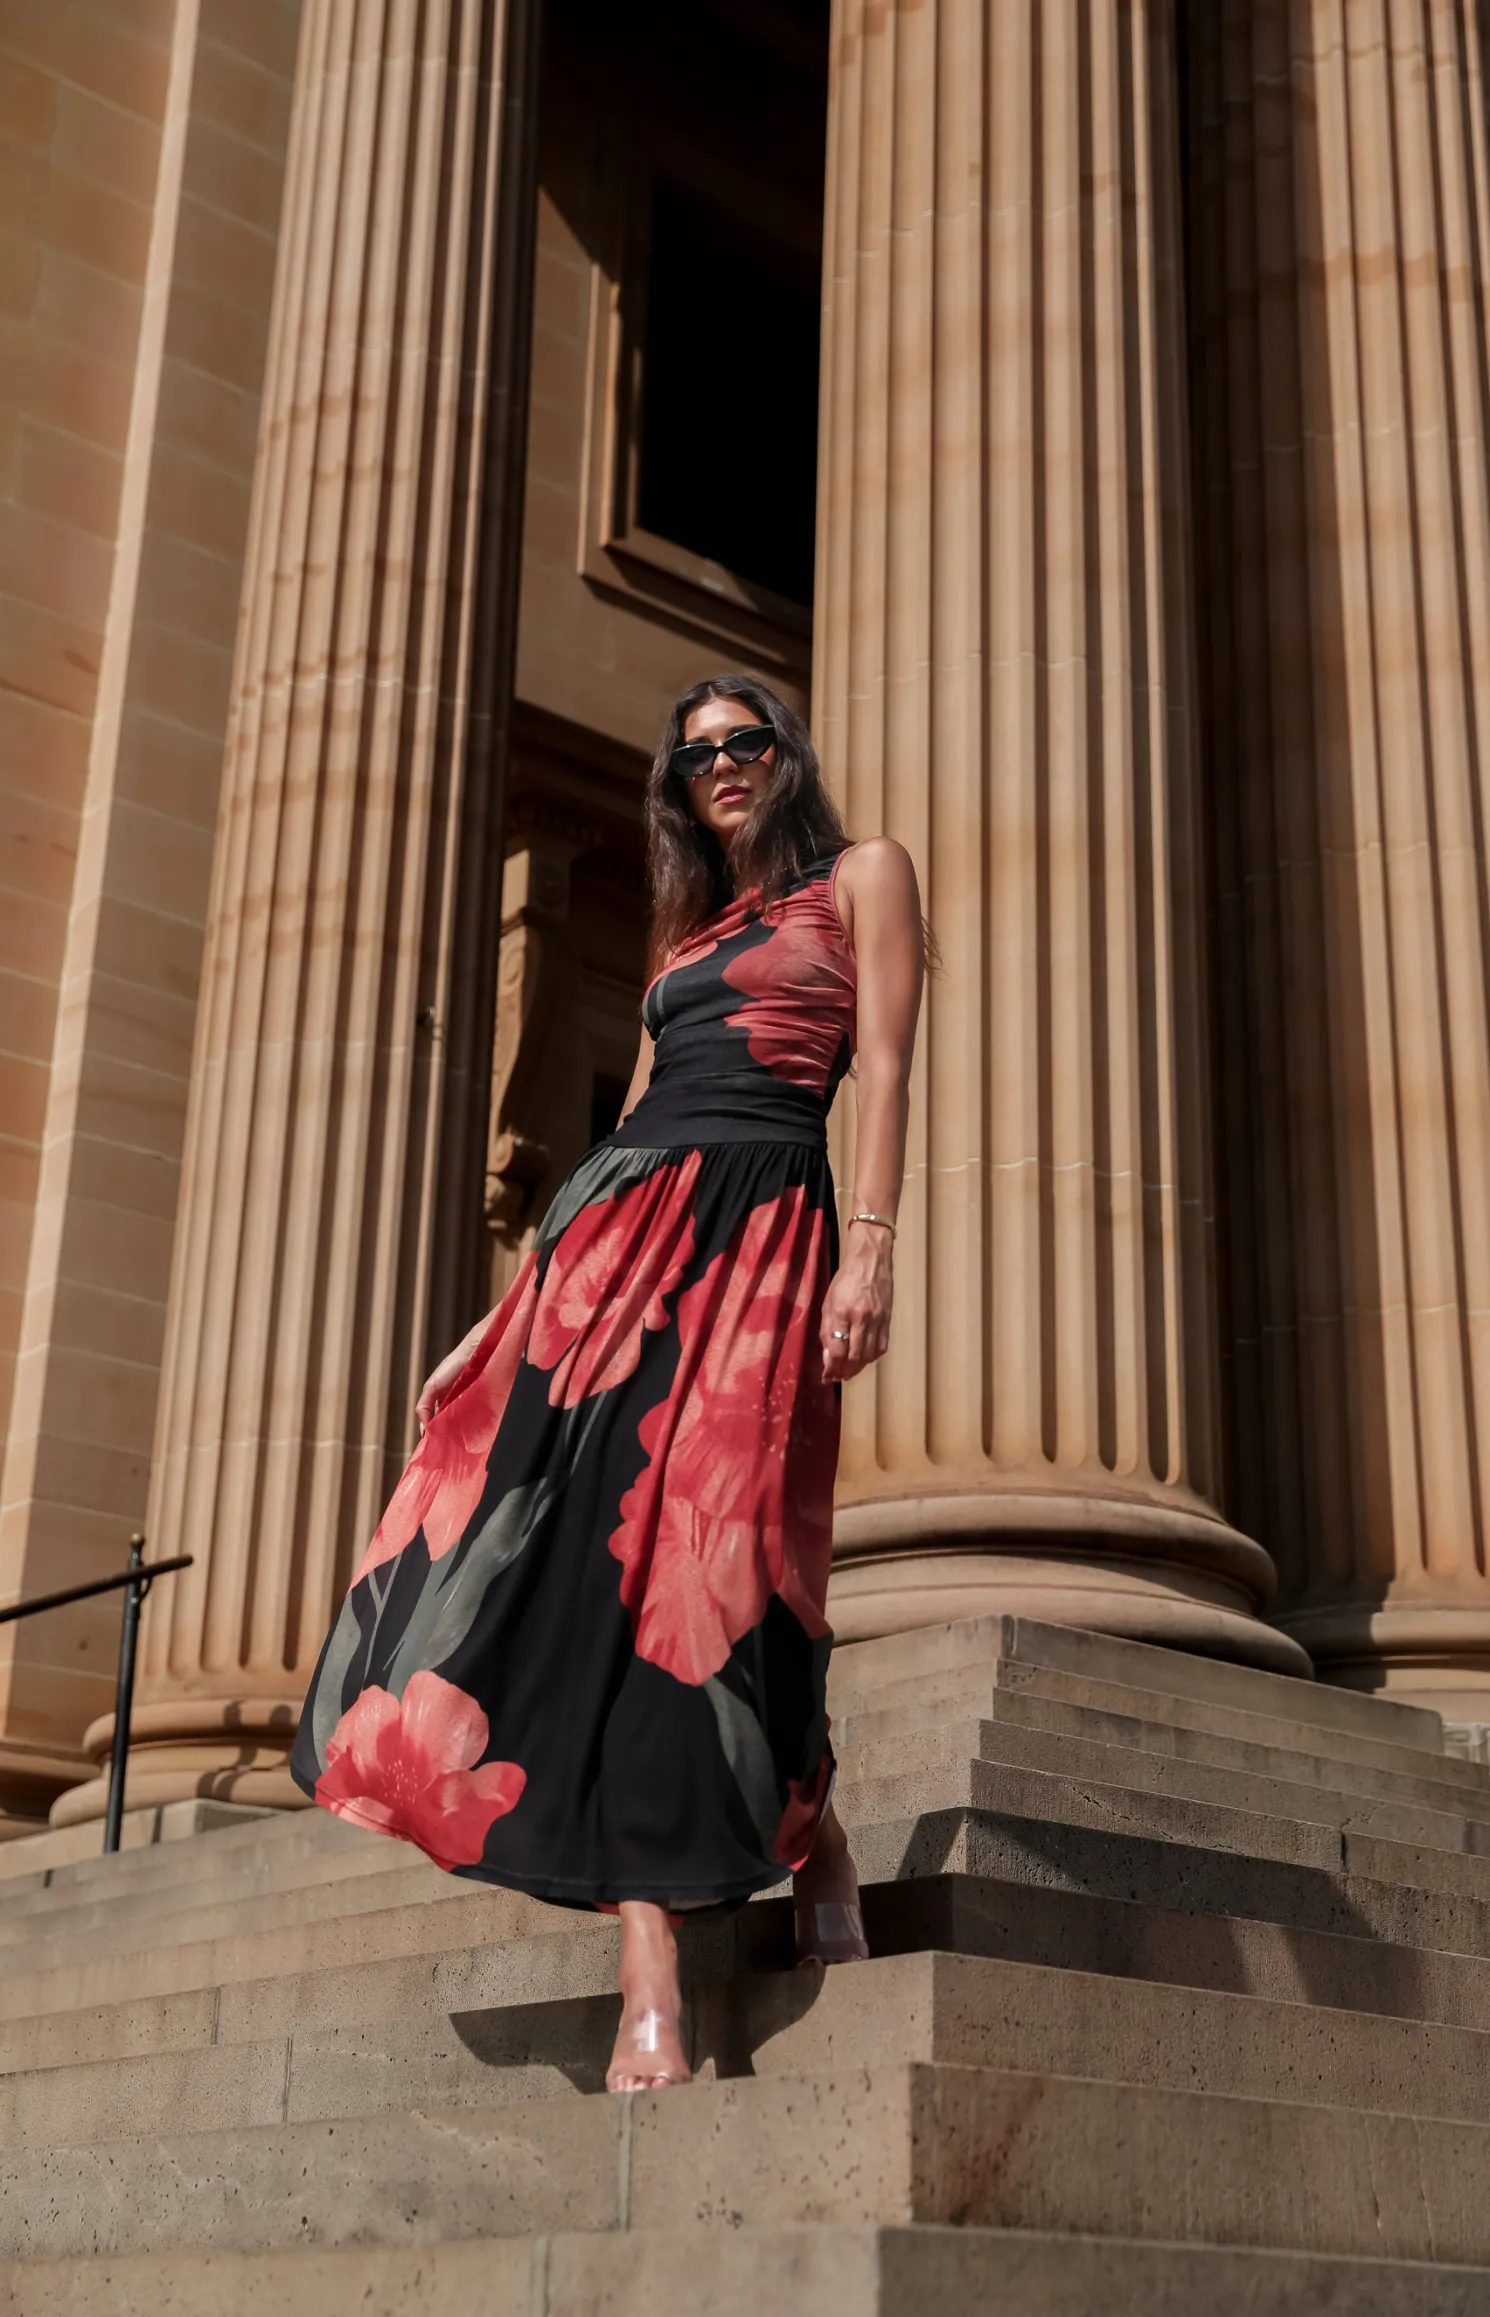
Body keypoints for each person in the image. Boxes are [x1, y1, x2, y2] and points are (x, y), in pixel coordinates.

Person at [291, 673, 925, 2093]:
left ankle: (804, 1826)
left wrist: (866, 1250)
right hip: (614, 1247)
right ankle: (653, 1962)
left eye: (741, 743)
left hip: (762, 1230)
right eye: (693, 754)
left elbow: (879, 1069)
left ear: (783, 754)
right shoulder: (683, 933)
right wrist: (501, 1314)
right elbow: (628, 1125)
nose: (720, 769)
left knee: (726, 1569)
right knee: (597, 1575)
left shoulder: (859, 878)